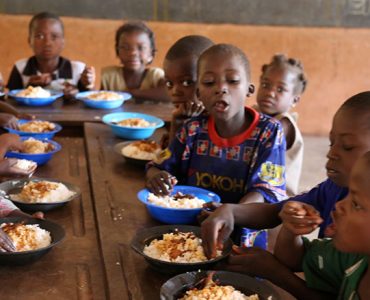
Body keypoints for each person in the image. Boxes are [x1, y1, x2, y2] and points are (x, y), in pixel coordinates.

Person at [147, 44, 287, 248]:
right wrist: (156, 177)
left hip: (242, 240)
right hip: (188, 236)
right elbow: (157, 165)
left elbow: (266, 192)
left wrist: (229, 212)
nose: (221, 88)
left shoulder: (269, 132)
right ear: (199, 92)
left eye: (232, 81)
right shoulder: (192, 130)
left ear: (249, 89)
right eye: (209, 82)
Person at [201, 91, 370, 258]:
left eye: (347, 146)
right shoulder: (332, 188)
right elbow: (274, 212)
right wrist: (230, 211)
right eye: (331, 143)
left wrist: (272, 270)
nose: (331, 153)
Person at [229, 151, 370, 299]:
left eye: (356, 204)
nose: (339, 205)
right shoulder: (353, 256)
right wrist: (291, 232)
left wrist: (275, 273)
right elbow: (298, 260)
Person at [7, 12, 95, 99]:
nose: (47, 43)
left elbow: (92, 99)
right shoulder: (20, 67)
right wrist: (29, 88)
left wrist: (87, 86)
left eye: (54, 37)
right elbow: (11, 101)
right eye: (40, 36)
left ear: (63, 42)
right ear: (30, 41)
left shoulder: (77, 69)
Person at [256, 54, 307, 196]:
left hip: (276, 197)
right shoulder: (254, 113)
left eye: (280, 89)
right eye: (265, 85)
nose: (270, 93)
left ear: (294, 100)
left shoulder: (283, 124)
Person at [162, 35, 213, 145]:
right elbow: (166, 157)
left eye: (187, 82)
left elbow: (172, 160)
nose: (175, 91)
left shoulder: (221, 125)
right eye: (169, 83)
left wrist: (176, 125)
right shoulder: (187, 117)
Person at [101, 21, 169, 102]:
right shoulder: (109, 75)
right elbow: (94, 97)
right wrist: (88, 85)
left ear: (151, 54)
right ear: (117, 51)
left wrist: (130, 93)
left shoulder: (155, 75)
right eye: (125, 47)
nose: (132, 53)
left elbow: (169, 93)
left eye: (141, 48)